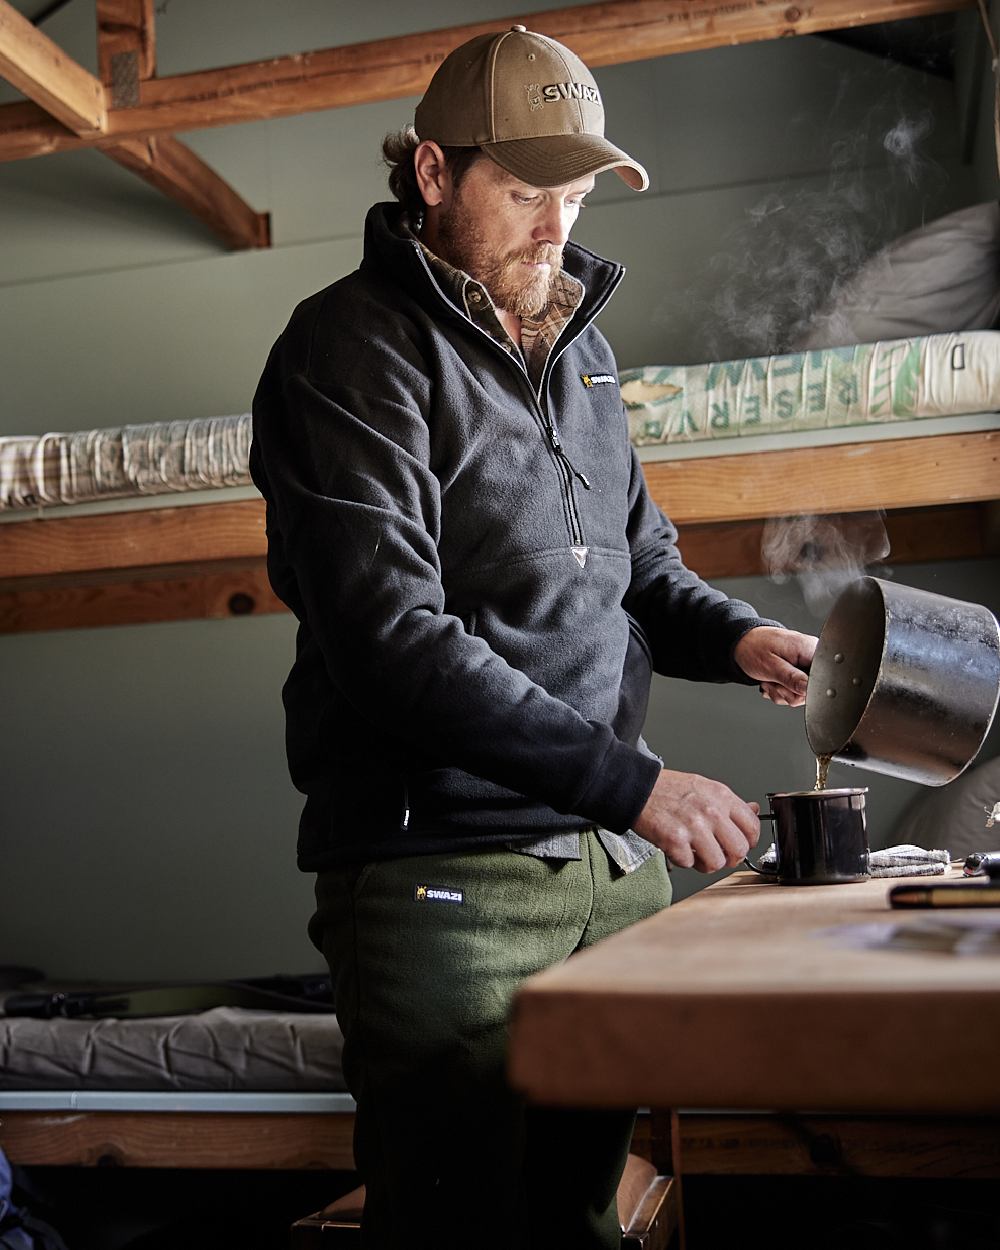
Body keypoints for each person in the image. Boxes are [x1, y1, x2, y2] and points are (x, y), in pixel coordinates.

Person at [250, 24, 816, 1250]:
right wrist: (638, 782)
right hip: (442, 881)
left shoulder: (583, 352)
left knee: (574, 1219)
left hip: (610, 875)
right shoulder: (345, 351)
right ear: (434, 175)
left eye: (571, 194)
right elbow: (391, 638)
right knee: (458, 1226)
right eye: (522, 191)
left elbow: (641, 569)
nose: (554, 226)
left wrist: (746, 637)